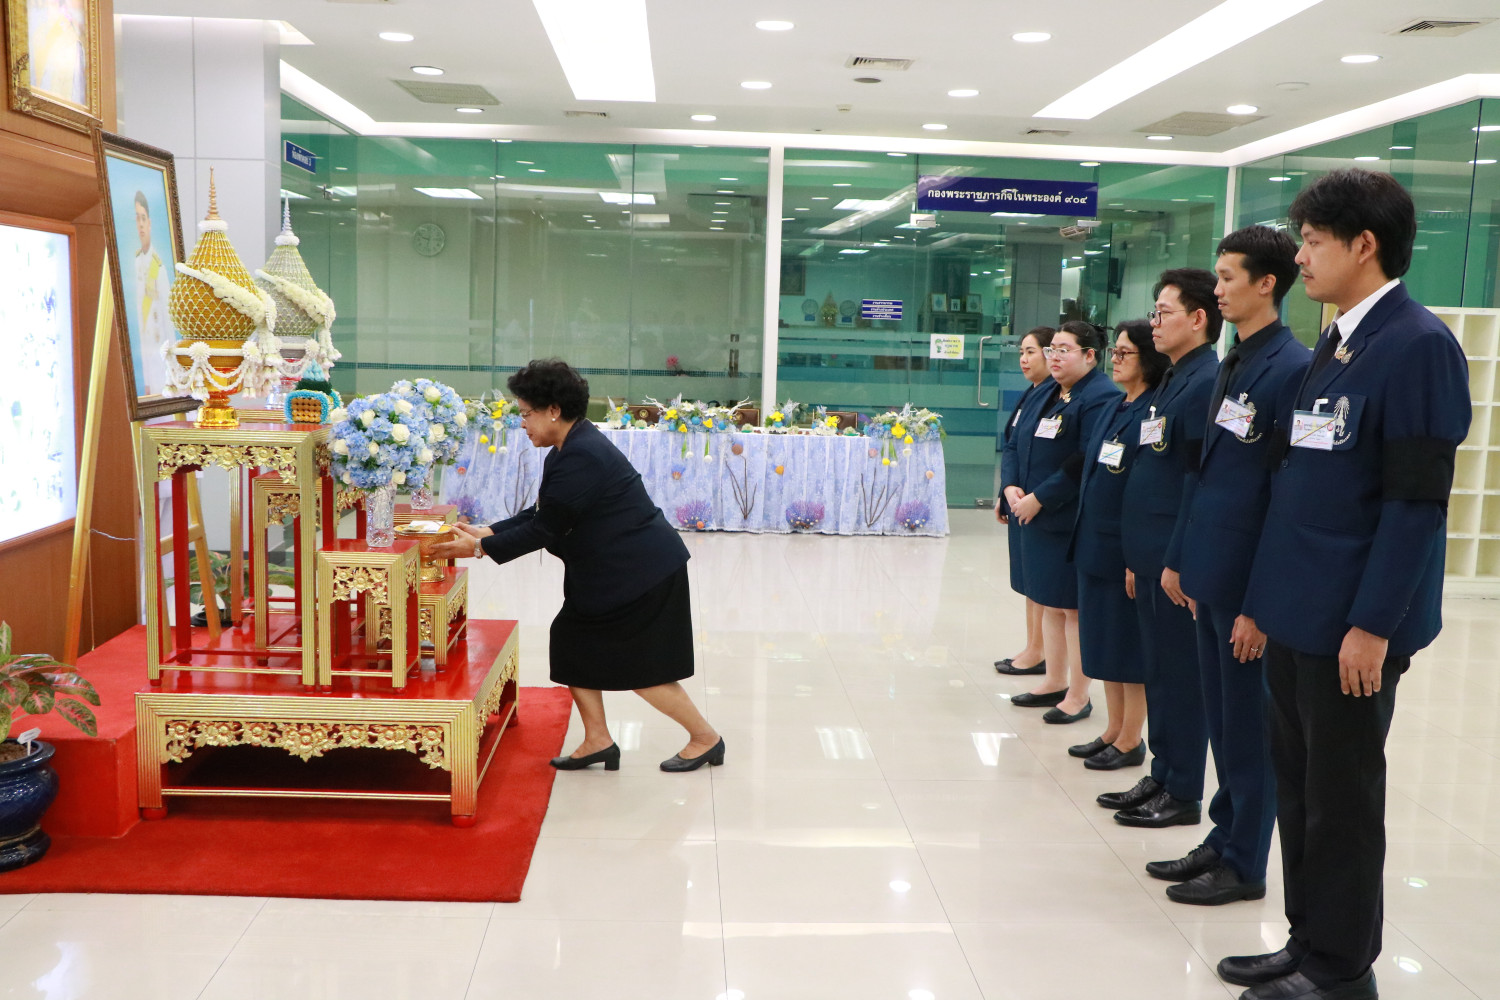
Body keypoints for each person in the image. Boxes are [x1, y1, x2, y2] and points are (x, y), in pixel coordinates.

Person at [1217, 170, 1470, 1000]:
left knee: (1344, 803)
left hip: (1350, 628)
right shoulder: (1341, 338)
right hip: (1296, 611)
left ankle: (1342, 967)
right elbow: (1299, 484)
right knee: (1300, 791)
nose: (1301, 256)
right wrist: (1260, 600)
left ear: (1365, 245)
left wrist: (1373, 625)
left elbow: (1414, 504)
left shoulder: (1418, 343)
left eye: (1315, 242)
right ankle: (1307, 939)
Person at [431, 359, 723, 773]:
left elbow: (546, 529)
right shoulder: (567, 447)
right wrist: (485, 531)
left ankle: (706, 738)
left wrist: (479, 550)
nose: (523, 424)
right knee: (572, 641)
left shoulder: (581, 455)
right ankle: (598, 740)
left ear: (553, 410)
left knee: (643, 667)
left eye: (526, 413)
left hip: (640, 570)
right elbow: (542, 514)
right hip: (612, 570)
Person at [1149, 227, 1311, 907]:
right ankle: (1222, 837)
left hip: (1246, 583)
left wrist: (1260, 604)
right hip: (1209, 570)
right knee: (1223, 720)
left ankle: (1245, 862)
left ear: (1266, 283)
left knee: (1250, 727)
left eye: (1227, 277)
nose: (1216, 289)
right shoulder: (1232, 362)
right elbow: (1204, 474)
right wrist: (1180, 558)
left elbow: (1284, 497)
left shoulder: (1290, 367)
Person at [1099, 269, 1221, 826]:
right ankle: (1163, 772)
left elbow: (1195, 483)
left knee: (1180, 678)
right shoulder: (1173, 379)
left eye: (1163, 313)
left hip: (1173, 558)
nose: (1154, 323)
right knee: (1159, 671)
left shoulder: (1203, 383)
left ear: (1198, 319)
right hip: (1147, 554)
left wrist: (1175, 559)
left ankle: (1184, 789)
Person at [1001, 321, 1121, 722]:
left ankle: (1078, 694)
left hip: (1065, 516)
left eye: (1064, 349)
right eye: (1051, 349)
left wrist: (1040, 498)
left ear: (1090, 355)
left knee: (1071, 609)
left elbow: (1084, 458)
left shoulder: (1099, 395)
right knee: (1050, 602)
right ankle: (1053, 680)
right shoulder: (1050, 391)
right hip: (1033, 512)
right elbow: (1017, 440)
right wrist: (1012, 486)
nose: (1054, 357)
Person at [1067, 320, 1167, 769]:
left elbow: (1144, 488)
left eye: (1125, 353)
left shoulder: (1152, 410)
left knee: (1128, 647)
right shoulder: (1115, 404)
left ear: (1147, 357)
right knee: (1103, 642)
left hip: (1124, 547)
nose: (1116, 360)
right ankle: (1111, 729)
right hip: (1095, 542)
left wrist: (1136, 556)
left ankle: (1131, 739)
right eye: (1116, 352)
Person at [995, 326, 1055, 677]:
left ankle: (1040, 650)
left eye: (1031, 351)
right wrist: (1007, 488)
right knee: (1029, 580)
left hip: (1039, 501)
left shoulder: (1055, 395)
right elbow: (1013, 445)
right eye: (1022, 352)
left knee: (1040, 583)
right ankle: (1034, 646)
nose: (1024, 359)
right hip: (1020, 498)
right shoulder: (1032, 394)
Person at [133, 191, 173, 397]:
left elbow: (169, 322)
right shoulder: (137, 262)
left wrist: (174, 373)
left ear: (149, 223)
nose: (140, 224)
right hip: (146, 363)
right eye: (137, 218)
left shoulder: (159, 268)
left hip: (162, 363)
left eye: (143, 218)